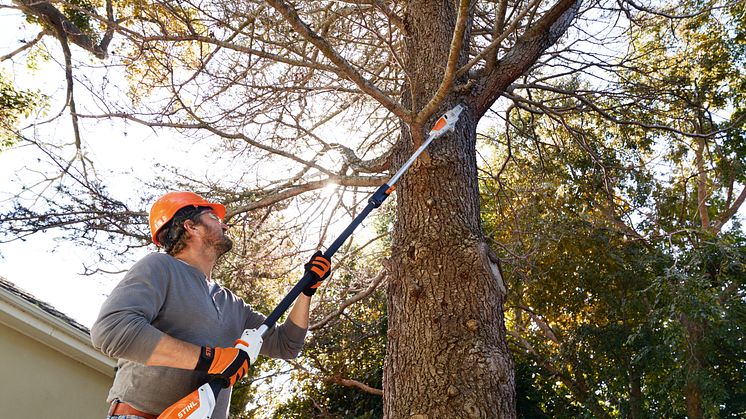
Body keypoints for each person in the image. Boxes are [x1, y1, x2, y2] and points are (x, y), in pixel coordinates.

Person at [91, 191, 330, 419]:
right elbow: (111, 330)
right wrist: (211, 359)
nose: (225, 225)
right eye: (214, 218)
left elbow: (287, 345)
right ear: (190, 226)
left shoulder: (232, 304)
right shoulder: (160, 267)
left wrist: (306, 291)